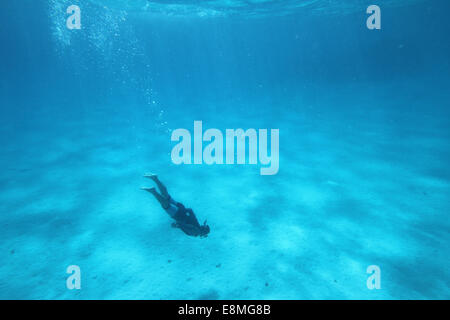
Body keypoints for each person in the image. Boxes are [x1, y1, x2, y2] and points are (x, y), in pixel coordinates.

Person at [141, 174, 210, 238]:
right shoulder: (195, 232)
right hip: (178, 215)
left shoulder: (197, 224)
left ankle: (155, 178)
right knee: (165, 205)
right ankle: (153, 191)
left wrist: (184, 213)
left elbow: (190, 210)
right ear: (203, 233)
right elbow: (188, 226)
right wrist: (178, 225)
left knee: (166, 196)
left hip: (182, 209)